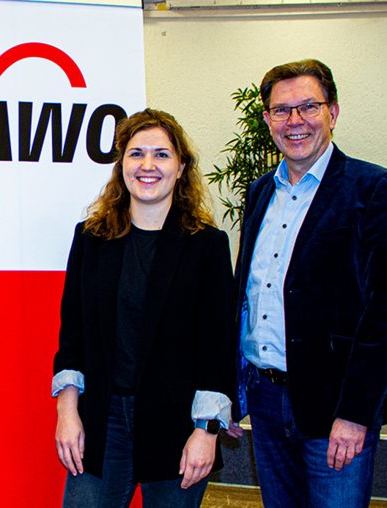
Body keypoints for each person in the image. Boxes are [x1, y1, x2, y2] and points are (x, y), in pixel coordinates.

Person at [52, 108, 237, 507]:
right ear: (121, 165)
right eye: (136, 154)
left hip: (178, 425)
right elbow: (73, 333)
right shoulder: (90, 238)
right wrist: (67, 412)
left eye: (161, 154)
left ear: (181, 166)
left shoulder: (207, 245)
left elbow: (217, 347)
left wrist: (206, 431)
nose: (147, 165)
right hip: (102, 421)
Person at [234, 59, 387, 507]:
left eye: (308, 107)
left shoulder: (372, 190)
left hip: (334, 410)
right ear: (267, 120)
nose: (294, 121)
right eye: (281, 111)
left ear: (333, 112)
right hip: (265, 401)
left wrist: (357, 414)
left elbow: (382, 314)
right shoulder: (260, 191)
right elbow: (248, 292)